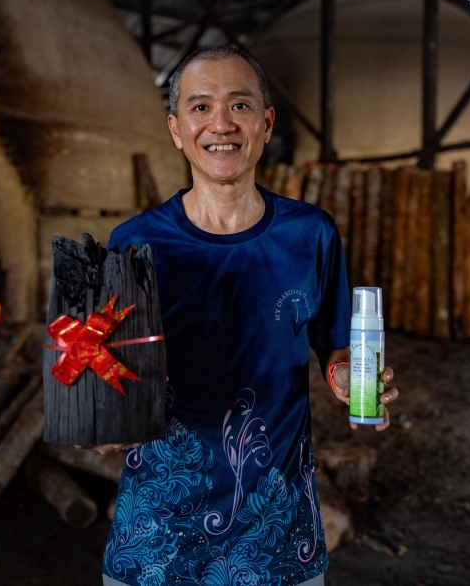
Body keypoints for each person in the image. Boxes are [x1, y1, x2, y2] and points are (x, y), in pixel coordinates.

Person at [100, 46, 398, 586]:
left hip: (277, 541)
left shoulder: (310, 235)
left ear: (265, 124)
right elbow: (107, 367)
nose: (221, 124)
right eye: (200, 108)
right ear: (175, 128)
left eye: (239, 105)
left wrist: (350, 377)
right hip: (156, 543)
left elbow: (335, 346)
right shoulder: (133, 244)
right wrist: (99, 417)